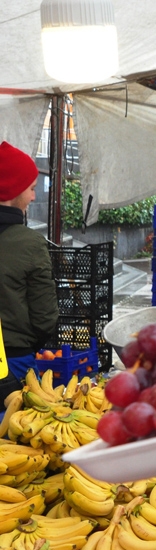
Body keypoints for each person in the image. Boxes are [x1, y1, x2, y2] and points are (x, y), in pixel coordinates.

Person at [0, 141, 58, 400]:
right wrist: (30, 345)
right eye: (32, 189)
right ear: (11, 191)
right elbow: (45, 316)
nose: (34, 197)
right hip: (13, 361)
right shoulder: (29, 243)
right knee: (18, 434)